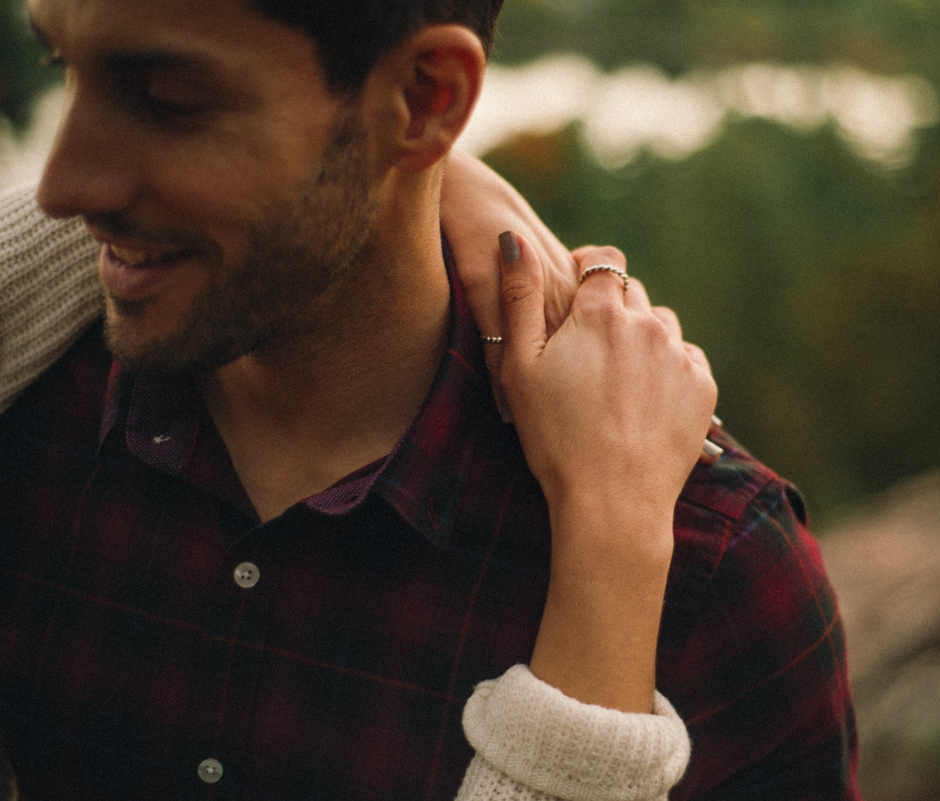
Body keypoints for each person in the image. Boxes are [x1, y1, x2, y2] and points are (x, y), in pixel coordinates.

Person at [0, 0, 861, 799]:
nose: (61, 188)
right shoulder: (29, 400)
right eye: (61, 66)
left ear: (425, 100)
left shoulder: (715, 578)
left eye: (167, 99)